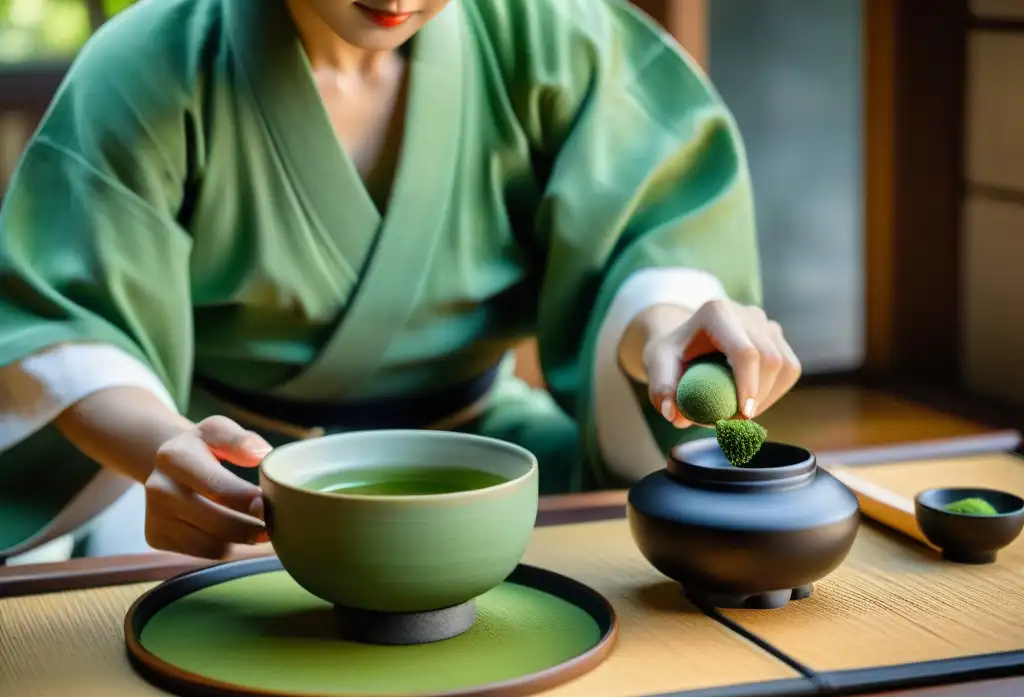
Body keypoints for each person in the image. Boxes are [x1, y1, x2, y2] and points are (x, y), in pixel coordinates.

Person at [0, 0, 801, 565]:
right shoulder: (152, 59)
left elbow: (642, 236)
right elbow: (72, 323)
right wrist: (167, 453)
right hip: (239, 477)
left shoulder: (555, 34)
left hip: (485, 455)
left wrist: (668, 330)